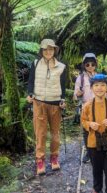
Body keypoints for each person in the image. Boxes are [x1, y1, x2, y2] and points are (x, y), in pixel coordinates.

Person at [27, 39, 66, 175]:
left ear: (54, 50)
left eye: (51, 49)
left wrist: (63, 99)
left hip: (55, 104)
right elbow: (31, 81)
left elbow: (63, 85)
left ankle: (54, 158)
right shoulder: (35, 64)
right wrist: (30, 94)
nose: (48, 52)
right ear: (41, 51)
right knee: (40, 133)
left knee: (55, 133)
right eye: (45, 49)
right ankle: (40, 160)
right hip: (38, 103)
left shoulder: (61, 66)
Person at [81, 74, 107, 193]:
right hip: (93, 143)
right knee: (96, 169)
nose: (99, 88)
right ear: (92, 88)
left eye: (103, 85)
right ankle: (97, 189)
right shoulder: (87, 106)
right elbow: (83, 120)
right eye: (96, 85)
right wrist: (89, 124)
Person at [74, 53, 97, 163]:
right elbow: (75, 94)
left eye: (92, 64)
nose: (90, 66)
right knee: (86, 131)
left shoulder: (99, 77)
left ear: (95, 64)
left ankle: (95, 151)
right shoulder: (81, 78)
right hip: (85, 108)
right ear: (84, 65)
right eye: (87, 64)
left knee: (97, 130)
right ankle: (89, 152)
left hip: (98, 108)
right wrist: (78, 93)